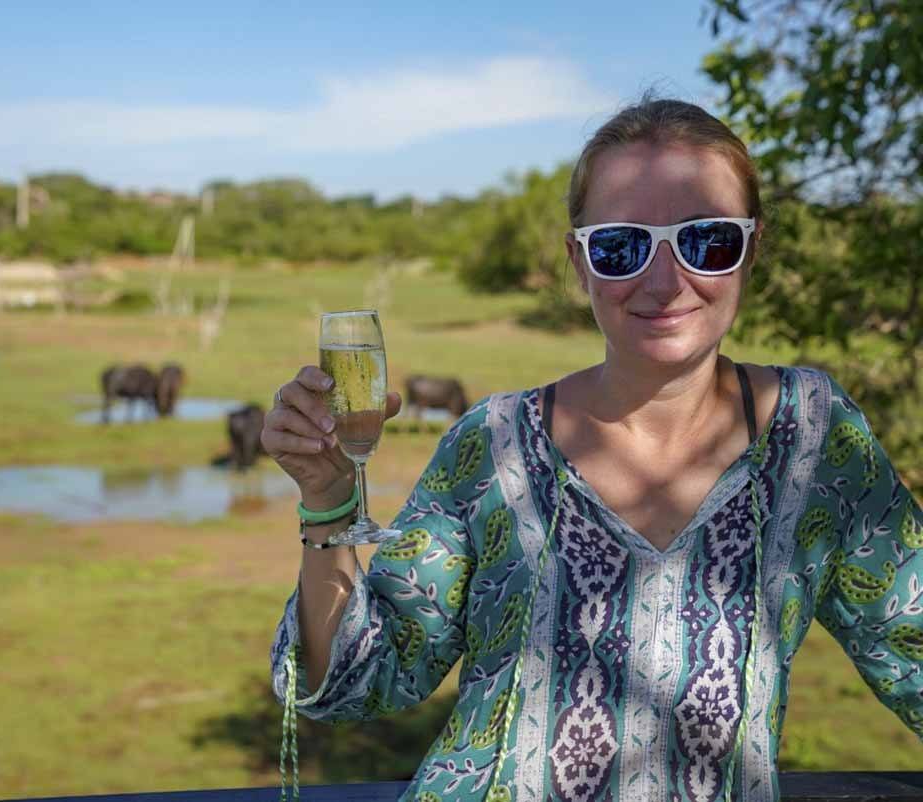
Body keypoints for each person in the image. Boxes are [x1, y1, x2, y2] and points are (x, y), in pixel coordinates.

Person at [263, 96, 923, 802]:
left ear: (752, 250)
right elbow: (361, 677)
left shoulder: (814, 439)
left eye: (708, 240)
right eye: (621, 246)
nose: (665, 281)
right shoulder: (491, 445)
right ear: (579, 263)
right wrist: (329, 497)